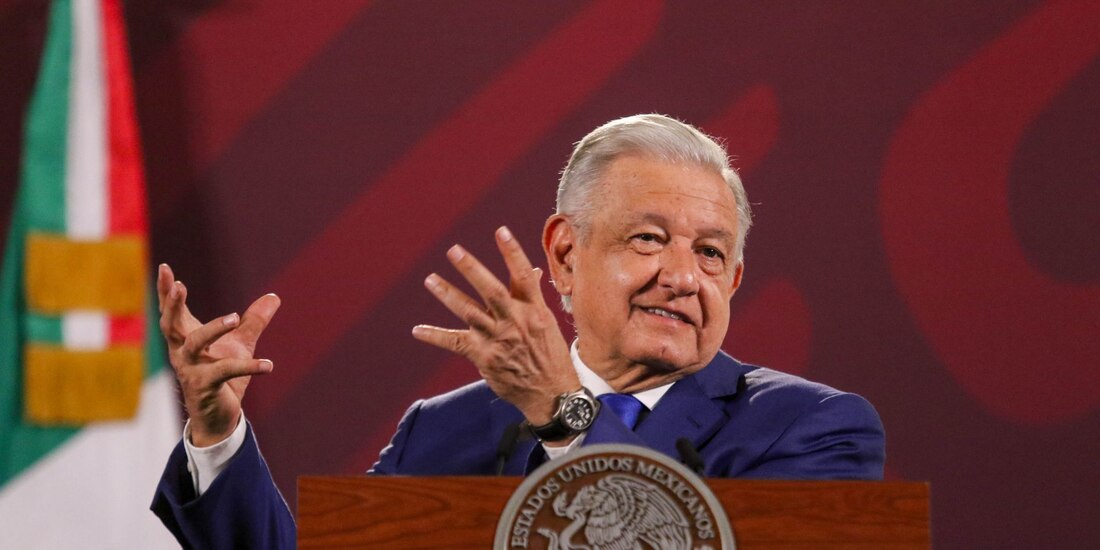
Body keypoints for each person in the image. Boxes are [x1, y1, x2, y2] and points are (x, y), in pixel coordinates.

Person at [150, 114, 885, 548]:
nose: (685, 276)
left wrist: (566, 418)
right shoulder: (441, 431)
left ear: (733, 282)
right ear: (565, 253)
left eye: (712, 253)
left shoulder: (813, 430)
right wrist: (219, 434)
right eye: (650, 239)